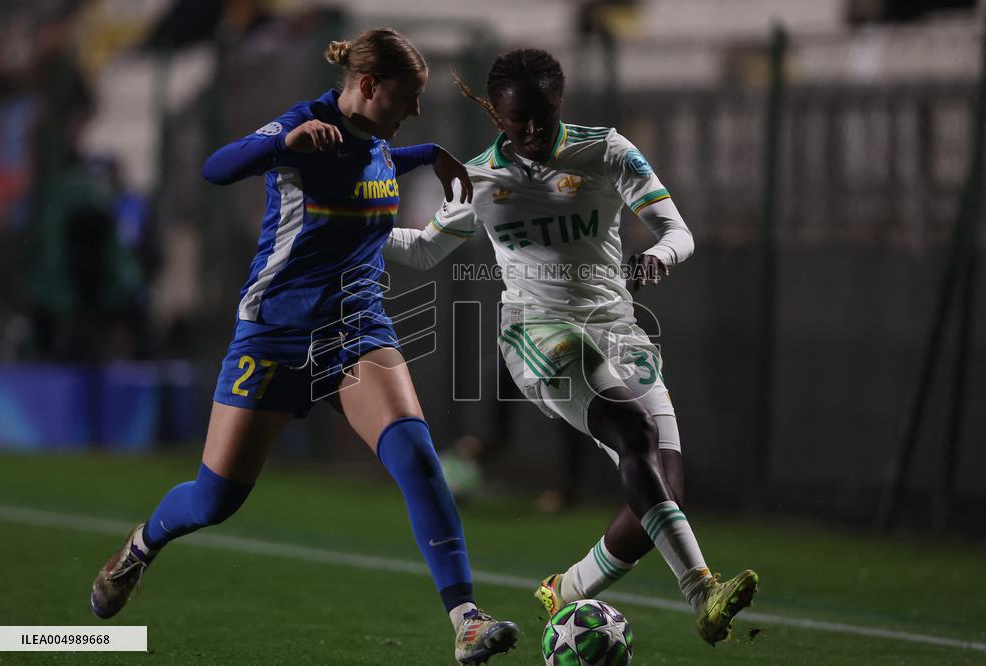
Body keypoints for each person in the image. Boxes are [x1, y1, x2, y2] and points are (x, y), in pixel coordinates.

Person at [89, 28, 519, 665]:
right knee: (215, 500)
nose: (415, 111)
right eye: (408, 98)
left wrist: (428, 152)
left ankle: (466, 620)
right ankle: (141, 547)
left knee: (418, 458)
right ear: (369, 86)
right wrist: (281, 144)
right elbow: (217, 168)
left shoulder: (375, 140)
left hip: (356, 333)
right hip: (274, 337)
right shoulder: (306, 127)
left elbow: (365, 163)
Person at [382, 48, 758, 646]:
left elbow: (678, 233)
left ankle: (568, 591)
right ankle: (703, 591)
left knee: (662, 497)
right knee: (635, 436)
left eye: (543, 115)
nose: (532, 130)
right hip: (536, 333)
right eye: (517, 119)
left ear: (560, 103)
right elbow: (426, 248)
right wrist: (352, 230)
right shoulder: (477, 179)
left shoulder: (606, 150)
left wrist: (656, 261)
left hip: (617, 328)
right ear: (495, 114)